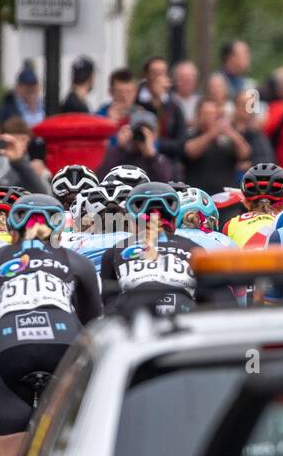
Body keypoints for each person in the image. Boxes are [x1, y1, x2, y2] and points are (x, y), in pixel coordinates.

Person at [0, 195, 102, 456]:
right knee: (79, 453)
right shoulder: (77, 262)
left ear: (13, 228)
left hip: (11, 348)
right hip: (63, 346)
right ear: (58, 229)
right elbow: (97, 333)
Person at [99, 183, 201, 316]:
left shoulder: (114, 251)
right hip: (184, 320)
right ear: (175, 219)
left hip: (134, 321)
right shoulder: (195, 249)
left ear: (131, 221)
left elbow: (106, 303)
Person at [182, 98, 252, 196]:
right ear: (198, 115)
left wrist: (232, 133)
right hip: (199, 196)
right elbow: (190, 152)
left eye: (213, 113)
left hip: (227, 197)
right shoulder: (191, 134)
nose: (209, 117)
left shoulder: (228, 135)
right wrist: (212, 133)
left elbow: (245, 153)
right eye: (206, 113)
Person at [96, 112, 174, 182]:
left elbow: (164, 182)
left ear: (154, 136)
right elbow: (102, 177)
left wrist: (151, 156)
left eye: (147, 132)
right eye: (138, 131)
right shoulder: (118, 153)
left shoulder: (160, 160)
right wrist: (119, 148)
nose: (141, 135)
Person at [0, 62, 46, 128]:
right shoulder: (5, 110)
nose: (30, 89)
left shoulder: (46, 105)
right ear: (17, 87)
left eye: (33, 85)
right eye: (27, 86)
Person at [171, 60, 200, 127]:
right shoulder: (169, 101)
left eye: (190, 80)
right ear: (176, 80)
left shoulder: (201, 102)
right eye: (183, 79)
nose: (187, 83)